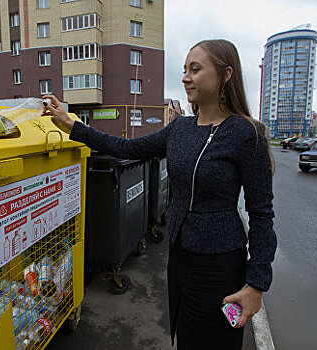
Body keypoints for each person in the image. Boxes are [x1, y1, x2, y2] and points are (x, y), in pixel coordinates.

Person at [43, 39, 276, 349]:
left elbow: (261, 215)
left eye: (195, 69)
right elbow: (126, 148)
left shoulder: (248, 134)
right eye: (184, 70)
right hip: (180, 258)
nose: (185, 77)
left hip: (220, 265)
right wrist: (73, 125)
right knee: (185, 336)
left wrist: (256, 285)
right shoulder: (179, 129)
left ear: (225, 74)